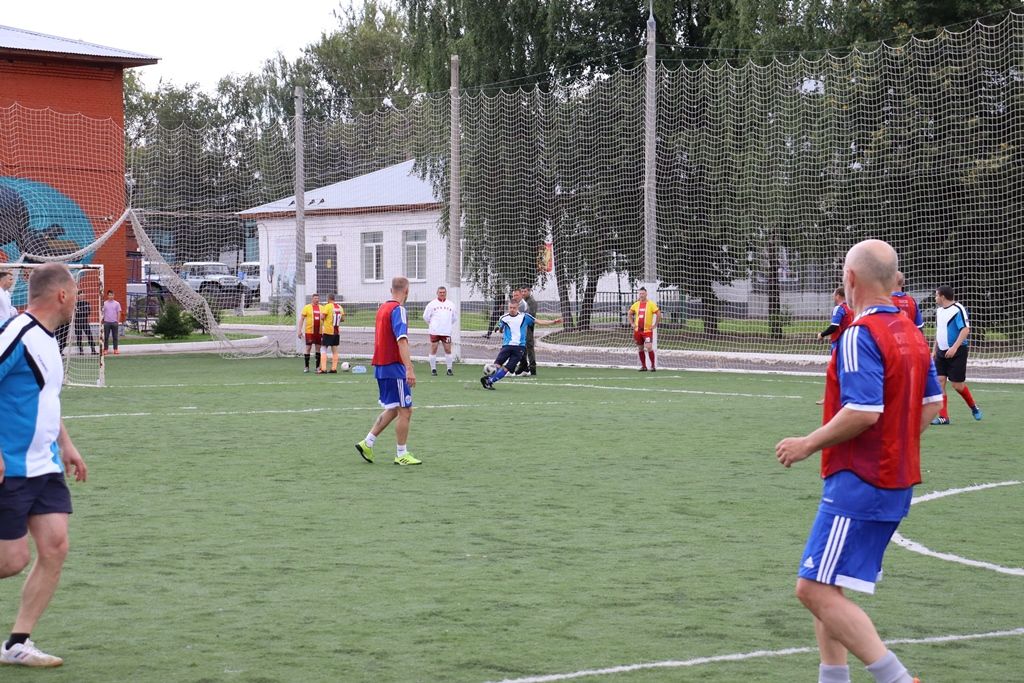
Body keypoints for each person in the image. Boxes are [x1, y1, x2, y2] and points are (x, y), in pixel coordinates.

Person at [775, 239, 942, 683]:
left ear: (850, 279)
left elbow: (864, 411)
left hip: (860, 480)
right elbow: (932, 403)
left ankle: (897, 679)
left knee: (812, 589)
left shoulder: (859, 334)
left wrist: (808, 443)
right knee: (828, 583)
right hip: (894, 480)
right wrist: (895, 442)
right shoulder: (912, 332)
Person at [0, 262, 88, 668]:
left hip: (45, 466)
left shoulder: (49, 340)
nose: (78, 301)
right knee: (11, 561)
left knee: (55, 547)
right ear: (61, 295)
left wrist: (66, 445)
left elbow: (44, 399)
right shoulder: (16, 333)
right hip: (12, 467)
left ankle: (17, 643)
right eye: (76, 294)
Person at [355, 277, 421, 466]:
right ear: (406, 291)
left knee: (393, 408)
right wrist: (409, 368)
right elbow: (402, 340)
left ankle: (367, 443)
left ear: (391, 290)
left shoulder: (382, 308)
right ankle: (401, 454)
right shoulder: (398, 310)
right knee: (406, 410)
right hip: (394, 366)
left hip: (381, 365)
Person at [480, 299, 559, 390]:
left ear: (517, 307)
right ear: (508, 307)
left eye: (514, 308)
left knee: (508, 368)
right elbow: (501, 329)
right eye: (510, 307)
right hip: (507, 346)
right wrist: (499, 329)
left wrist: (553, 322)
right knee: (497, 364)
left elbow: (538, 321)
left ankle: (489, 381)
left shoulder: (525, 317)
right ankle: (488, 378)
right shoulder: (503, 318)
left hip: (519, 348)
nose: (512, 309)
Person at [931, 285, 982, 425]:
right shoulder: (939, 311)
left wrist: (954, 347)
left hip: (958, 352)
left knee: (957, 385)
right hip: (941, 352)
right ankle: (943, 417)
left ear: (942, 297)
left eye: (936, 295)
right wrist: (934, 350)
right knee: (939, 381)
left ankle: (974, 407)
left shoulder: (958, 309)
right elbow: (939, 331)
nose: (935, 298)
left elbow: (965, 330)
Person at [815, 287, 854, 405]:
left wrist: (822, 334)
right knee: (845, 370)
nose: (833, 296)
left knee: (834, 371)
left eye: (834, 294)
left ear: (838, 296)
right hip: (850, 343)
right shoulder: (851, 308)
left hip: (839, 344)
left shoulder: (839, 308)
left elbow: (834, 326)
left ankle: (830, 398)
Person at [423, 285, 457, 376]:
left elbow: (454, 318)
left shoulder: (451, 304)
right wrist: (433, 324)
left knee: (448, 349)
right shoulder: (431, 304)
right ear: (437, 293)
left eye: (443, 292)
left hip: (446, 331)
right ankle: (433, 369)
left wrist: (447, 324)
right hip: (435, 331)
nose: (442, 294)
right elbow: (426, 317)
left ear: (446, 293)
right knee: (433, 349)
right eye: (440, 292)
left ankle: (449, 369)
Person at [628, 287, 661, 371]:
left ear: (646, 294)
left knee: (649, 347)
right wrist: (632, 323)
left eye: (643, 293)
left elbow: (658, 313)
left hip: (647, 331)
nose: (641, 295)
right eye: (640, 293)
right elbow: (630, 313)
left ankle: (653, 366)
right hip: (638, 331)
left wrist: (655, 324)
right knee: (640, 348)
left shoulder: (651, 304)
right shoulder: (636, 304)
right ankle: (644, 366)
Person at [513, 285, 539, 375]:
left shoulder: (532, 302)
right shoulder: (520, 301)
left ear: (529, 291)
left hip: (527, 327)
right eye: (522, 291)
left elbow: (531, 316)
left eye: (525, 291)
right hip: (521, 327)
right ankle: (523, 366)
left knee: (529, 347)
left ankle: (532, 368)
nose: (523, 293)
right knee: (521, 347)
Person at [297, 293, 323, 374]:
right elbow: (302, 319)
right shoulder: (307, 307)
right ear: (312, 299)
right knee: (308, 348)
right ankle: (306, 367)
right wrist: (299, 330)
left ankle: (317, 367)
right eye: (315, 298)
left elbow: (325, 319)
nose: (317, 300)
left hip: (319, 332)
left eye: (318, 298)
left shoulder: (322, 308)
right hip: (309, 332)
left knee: (318, 348)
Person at [319, 293, 345, 374]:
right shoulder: (340, 307)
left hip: (328, 331)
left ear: (328, 299)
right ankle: (334, 368)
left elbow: (322, 317)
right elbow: (343, 319)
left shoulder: (328, 306)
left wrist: (323, 317)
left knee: (323, 348)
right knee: (335, 350)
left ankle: (323, 369)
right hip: (336, 332)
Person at [100, 289, 122, 355]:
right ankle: (105, 350)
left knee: (115, 337)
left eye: (112, 295)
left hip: (114, 322)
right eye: (109, 295)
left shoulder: (117, 303)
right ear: (107, 296)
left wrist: (117, 321)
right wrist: (102, 320)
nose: (111, 296)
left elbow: (119, 312)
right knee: (106, 337)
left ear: (114, 295)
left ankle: (115, 349)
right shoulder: (104, 303)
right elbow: (102, 312)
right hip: (106, 322)